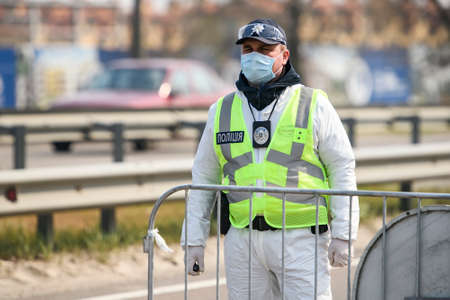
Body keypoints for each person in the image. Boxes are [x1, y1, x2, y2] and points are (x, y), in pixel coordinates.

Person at [181, 18, 359, 300]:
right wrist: (193, 240)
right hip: (243, 241)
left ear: (284, 55)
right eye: (248, 49)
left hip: (302, 239)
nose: (255, 56)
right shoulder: (222, 110)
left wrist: (343, 234)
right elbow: (204, 177)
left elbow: (342, 168)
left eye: (265, 50)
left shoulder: (313, 104)